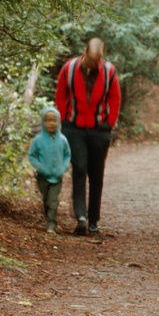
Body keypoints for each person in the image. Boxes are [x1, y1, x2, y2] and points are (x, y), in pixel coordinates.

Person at [55, 37, 121, 236]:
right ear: (84, 53)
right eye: (92, 61)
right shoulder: (69, 68)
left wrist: (109, 123)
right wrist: (64, 117)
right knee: (79, 169)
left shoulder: (109, 71)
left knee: (96, 173)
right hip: (73, 128)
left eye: (98, 61)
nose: (95, 65)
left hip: (98, 130)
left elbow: (115, 98)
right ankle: (80, 217)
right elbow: (60, 93)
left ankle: (93, 219)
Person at [27, 106, 72, 234]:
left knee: (53, 201)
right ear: (43, 122)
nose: (51, 123)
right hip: (42, 177)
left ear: (58, 122)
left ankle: (52, 223)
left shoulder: (62, 140)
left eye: (54, 120)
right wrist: (40, 168)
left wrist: (63, 167)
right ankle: (48, 214)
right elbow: (32, 155)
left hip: (57, 177)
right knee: (46, 199)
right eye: (48, 120)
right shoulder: (38, 140)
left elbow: (67, 155)